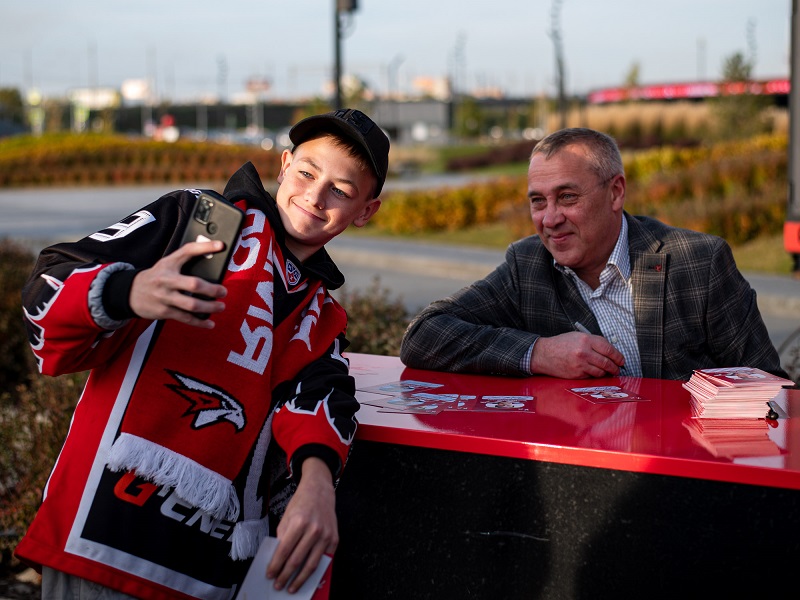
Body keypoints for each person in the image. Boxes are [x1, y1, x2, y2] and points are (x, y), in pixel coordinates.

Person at [16, 108, 390, 599]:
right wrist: (130, 291)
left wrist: (316, 486)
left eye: (340, 190)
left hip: (211, 571)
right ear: (284, 166)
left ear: (365, 211)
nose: (316, 196)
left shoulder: (320, 312)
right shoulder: (207, 222)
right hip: (103, 540)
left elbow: (323, 400)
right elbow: (51, 279)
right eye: (306, 172)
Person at [400, 127, 792, 383]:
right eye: (538, 201)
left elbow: (770, 388)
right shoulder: (528, 266)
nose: (550, 219)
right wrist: (539, 353)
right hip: (585, 470)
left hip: (690, 467)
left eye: (567, 196)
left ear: (616, 192)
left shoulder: (699, 263)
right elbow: (423, 336)